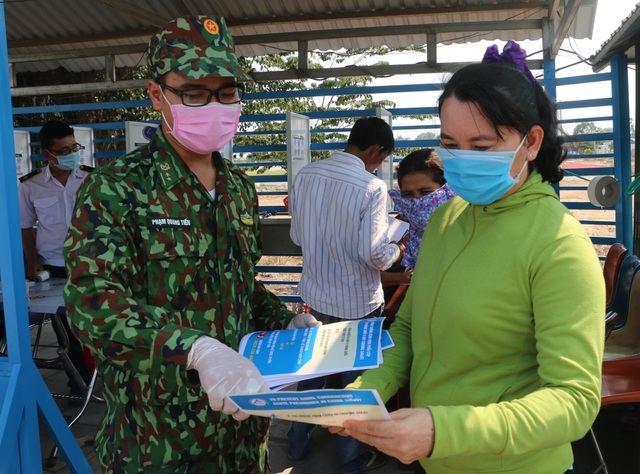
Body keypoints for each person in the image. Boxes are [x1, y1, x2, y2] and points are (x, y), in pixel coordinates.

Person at [330, 40, 605, 474]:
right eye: (451, 144)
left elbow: (573, 401)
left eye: (481, 146)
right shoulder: (446, 220)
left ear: (531, 142)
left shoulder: (558, 245)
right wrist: (368, 390)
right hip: (436, 462)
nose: (462, 160)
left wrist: (443, 431)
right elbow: (408, 328)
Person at [63, 15, 318, 473]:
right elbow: (92, 304)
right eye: (195, 93)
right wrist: (195, 348)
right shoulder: (118, 187)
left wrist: (286, 320)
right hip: (158, 442)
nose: (214, 105)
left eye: (226, 92)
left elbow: (239, 286)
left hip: (242, 433)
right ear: (156, 94)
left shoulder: (239, 188)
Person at [288, 116, 402, 473]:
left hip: (312, 300)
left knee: (310, 377)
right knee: (353, 387)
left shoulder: (306, 174)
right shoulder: (372, 187)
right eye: (381, 159)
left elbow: (296, 237)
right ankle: (349, 460)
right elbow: (374, 254)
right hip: (358, 304)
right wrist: (396, 248)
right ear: (375, 150)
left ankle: (296, 445)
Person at [18, 120, 93, 399]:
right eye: (63, 149)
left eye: (73, 147)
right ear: (47, 154)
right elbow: (25, 226)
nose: (71, 153)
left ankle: (103, 377)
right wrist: (31, 259)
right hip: (53, 267)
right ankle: (79, 386)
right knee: (65, 331)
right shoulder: (31, 186)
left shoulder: (91, 179)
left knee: (95, 324)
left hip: (90, 265)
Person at [381, 149, 456, 301]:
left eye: (426, 192)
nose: (418, 202)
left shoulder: (471, 223)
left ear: (445, 189)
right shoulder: (401, 227)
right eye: (408, 195)